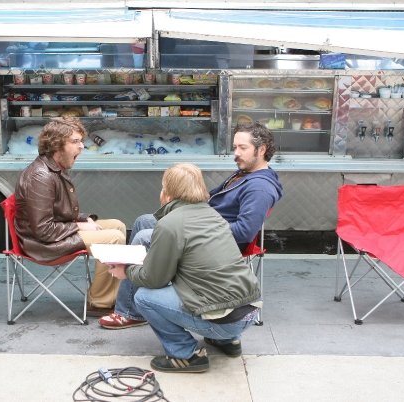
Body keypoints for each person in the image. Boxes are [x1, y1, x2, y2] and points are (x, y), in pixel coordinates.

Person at [100, 122, 283, 333]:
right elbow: (210, 199)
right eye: (235, 147)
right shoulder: (243, 174)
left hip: (213, 242)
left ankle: (129, 312)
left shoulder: (260, 187)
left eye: (243, 148)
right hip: (201, 227)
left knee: (143, 237)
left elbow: (245, 231)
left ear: (261, 150)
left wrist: (196, 226)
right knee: (145, 221)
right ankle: (137, 294)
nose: (236, 153)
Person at [108, 163, 262, 373]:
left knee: (144, 297)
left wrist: (125, 271)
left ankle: (185, 355)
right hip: (249, 313)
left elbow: (155, 280)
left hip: (223, 321)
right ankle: (228, 341)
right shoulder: (214, 215)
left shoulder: (170, 224)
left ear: (168, 192)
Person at [14, 118, 126, 316]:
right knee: (113, 238)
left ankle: (110, 293)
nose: (82, 146)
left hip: (54, 233)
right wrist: (79, 226)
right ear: (56, 145)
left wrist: (83, 219)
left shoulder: (53, 168)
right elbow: (43, 230)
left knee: (117, 226)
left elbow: (56, 211)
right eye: (75, 141)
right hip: (41, 244)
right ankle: (100, 302)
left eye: (81, 141)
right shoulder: (41, 177)